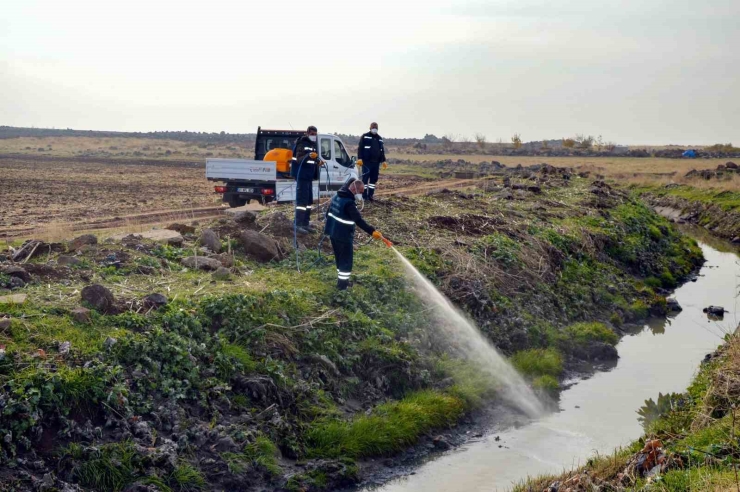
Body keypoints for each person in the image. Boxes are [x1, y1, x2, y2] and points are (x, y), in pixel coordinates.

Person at [324, 178, 389, 290]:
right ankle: (342, 287)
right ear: (354, 189)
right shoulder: (349, 203)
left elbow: (327, 214)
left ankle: (342, 281)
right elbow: (359, 220)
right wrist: (372, 231)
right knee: (346, 261)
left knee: (339, 259)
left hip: (333, 233)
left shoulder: (337, 196)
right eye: (361, 191)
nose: (361, 195)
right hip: (343, 236)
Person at [291, 126, 321, 234]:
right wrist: (309, 155)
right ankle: (297, 224)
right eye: (312, 134)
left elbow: (312, 158)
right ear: (307, 133)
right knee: (302, 201)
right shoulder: (302, 143)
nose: (314, 136)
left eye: (315, 134)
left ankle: (305, 223)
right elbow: (299, 159)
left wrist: (318, 161)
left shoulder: (312, 145)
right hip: (302, 177)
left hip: (309, 177)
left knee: (308, 201)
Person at [356, 122, 387, 201]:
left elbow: (381, 150)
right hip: (366, 162)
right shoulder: (365, 136)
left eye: (376, 128)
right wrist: (359, 158)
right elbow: (360, 148)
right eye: (373, 127)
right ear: (370, 128)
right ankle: (364, 196)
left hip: (376, 163)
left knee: (373, 180)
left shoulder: (379, 138)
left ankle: (370, 196)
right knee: (365, 179)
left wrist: (383, 161)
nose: (374, 129)